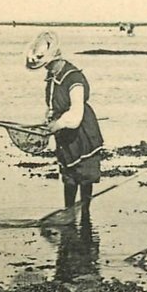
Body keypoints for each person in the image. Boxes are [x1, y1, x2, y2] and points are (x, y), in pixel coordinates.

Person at [25, 31, 104, 217]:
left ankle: (85, 215)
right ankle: (69, 213)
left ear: (56, 59)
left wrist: (56, 126)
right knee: (68, 177)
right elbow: (53, 106)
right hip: (64, 133)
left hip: (82, 132)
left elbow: (75, 115)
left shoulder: (74, 79)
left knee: (84, 176)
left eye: (48, 64)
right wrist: (48, 120)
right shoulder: (53, 78)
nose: (46, 69)